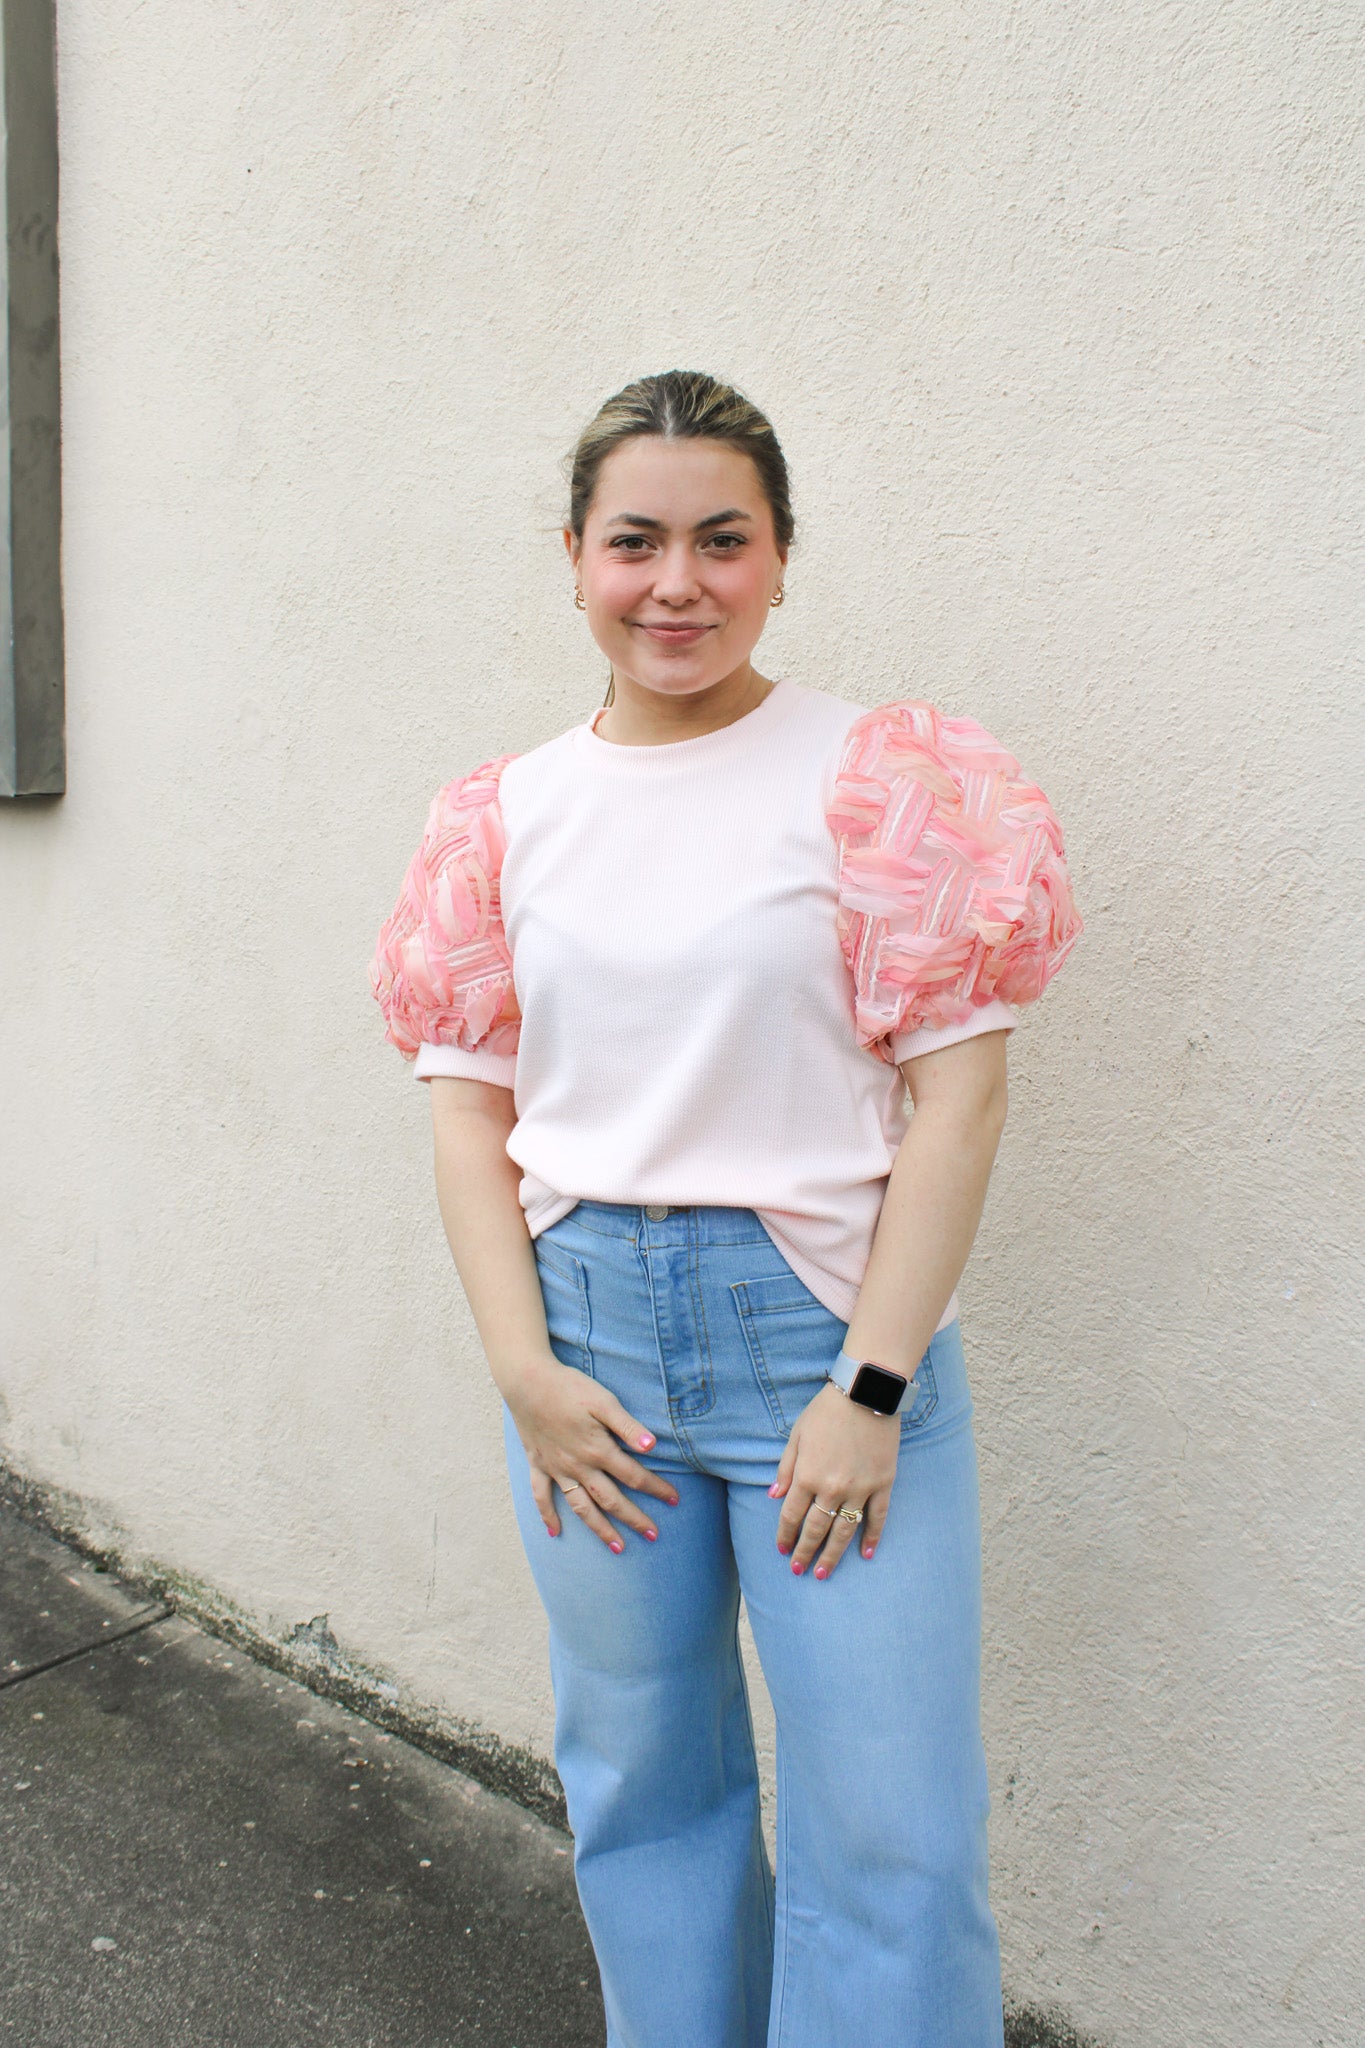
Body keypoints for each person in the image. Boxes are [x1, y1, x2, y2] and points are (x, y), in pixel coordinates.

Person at [370, 370, 1081, 2048]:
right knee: (640, 1782)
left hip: (823, 1347)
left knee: (891, 1829)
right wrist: (522, 1374)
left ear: (776, 558)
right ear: (571, 558)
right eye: (634, 541)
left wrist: (874, 1389)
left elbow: (957, 1099)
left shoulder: (876, 778)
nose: (673, 581)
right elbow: (469, 1114)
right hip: (585, 1345)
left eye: (719, 539)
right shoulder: (503, 814)